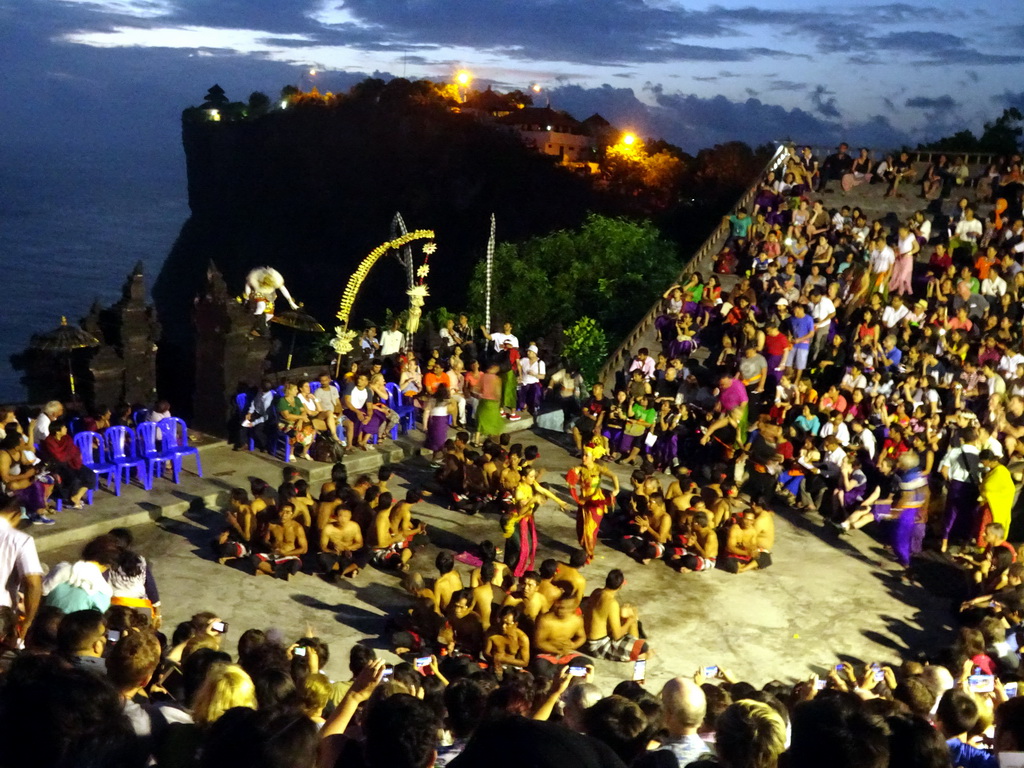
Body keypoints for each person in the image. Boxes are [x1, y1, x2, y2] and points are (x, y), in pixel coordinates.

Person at [580, 569, 649, 662]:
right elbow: (617, 636)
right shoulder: (612, 603)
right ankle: (635, 652)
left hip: (591, 638)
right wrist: (630, 620)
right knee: (642, 647)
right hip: (598, 646)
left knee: (628, 617)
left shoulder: (596, 591)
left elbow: (602, 617)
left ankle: (632, 643)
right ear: (620, 586)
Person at [0, 494, 42, 641]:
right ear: (16, 514)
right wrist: (28, 622)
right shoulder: (20, 540)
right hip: (2, 615)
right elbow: (33, 583)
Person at [566, 449, 620, 564]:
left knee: (590, 529)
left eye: (586, 455)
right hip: (584, 502)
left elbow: (613, 476)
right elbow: (572, 476)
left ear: (593, 458)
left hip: (596, 503)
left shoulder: (598, 468)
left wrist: (616, 490)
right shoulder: (580, 468)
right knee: (581, 528)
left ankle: (588, 553)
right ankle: (585, 549)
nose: (583, 458)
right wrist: (572, 477)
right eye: (583, 455)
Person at [43, 534, 120, 612]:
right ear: (108, 565)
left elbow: (42, 591)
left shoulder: (61, 569)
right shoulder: (103, 591)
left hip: (46, 620)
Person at [39, 420, 94, 508]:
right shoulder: (49, 441)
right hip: (57, 466)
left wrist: (71, 456)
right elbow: (58, 457)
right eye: (64, 428)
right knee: (75, 479)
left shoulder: (67, 438)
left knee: (89, 474)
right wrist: (69, 455)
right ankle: (70, 499)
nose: (66, 429)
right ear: (57, 431)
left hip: (72, 462)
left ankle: (76, 497)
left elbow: (74, 450)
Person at [252, 502, 307, 579]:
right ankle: (277, 573)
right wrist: (272, 547)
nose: (284, 515)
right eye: (282, 511)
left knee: (295, 564)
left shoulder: (297, 528)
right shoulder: (272, 525)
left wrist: (286, 553)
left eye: (287, 512)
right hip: (275, 554)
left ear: (292, 514)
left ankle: (267, 570)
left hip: (289, 556)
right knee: (254, 558)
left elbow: (304, 549)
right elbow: (265, 541)